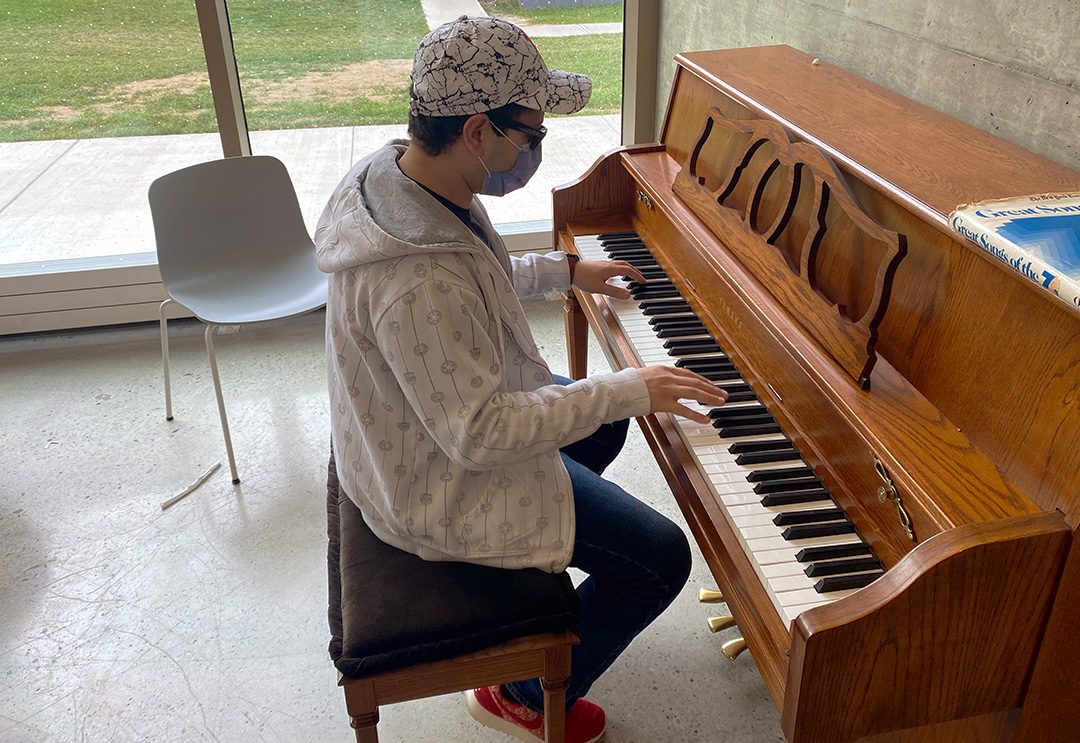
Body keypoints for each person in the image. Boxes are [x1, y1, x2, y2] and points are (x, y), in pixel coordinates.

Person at [315, 15, 727, 743]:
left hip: (415, 438)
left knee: (601, 413)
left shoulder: (406, 178)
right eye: (532, 135)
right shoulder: (416, 277)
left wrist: (566, 272)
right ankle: (521, 691)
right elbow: (480, 432)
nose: (536, 150)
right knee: (660, 557)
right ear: (478, 131)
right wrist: (633, 383)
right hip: (432, 483)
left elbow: (472, 270)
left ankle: (549, 549)